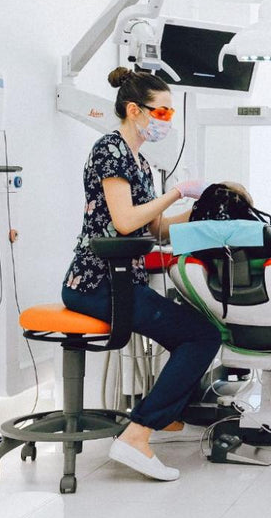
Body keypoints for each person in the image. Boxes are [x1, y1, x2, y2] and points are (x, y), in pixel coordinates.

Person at [60, 67, 221, 481]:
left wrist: (205, 212)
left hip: (121, 281)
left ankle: (163, 418)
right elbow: (126, 220)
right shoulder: (109, 150)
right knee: (202, 336)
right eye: (162, 112)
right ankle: (137, 435)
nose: (167, 120)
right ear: (135, 110)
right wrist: (175, 192)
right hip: (96, 284)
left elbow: (156, 228)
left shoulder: (140, 161)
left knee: (190, 333)